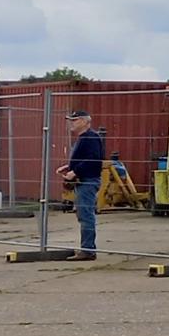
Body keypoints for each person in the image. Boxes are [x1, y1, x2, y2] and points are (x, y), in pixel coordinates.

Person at [57, 109, 104, 260]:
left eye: (75, 120)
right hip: (83, 181)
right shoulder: (83, 138)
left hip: (88, 181)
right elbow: (85, 158)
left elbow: (94, 159)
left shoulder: (91, 137)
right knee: (83, 214)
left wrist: (75, 172)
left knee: (86, 215)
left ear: (84, 121)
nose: (71, 123)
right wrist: (69, 167)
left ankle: (88, 250)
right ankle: (87, 248)